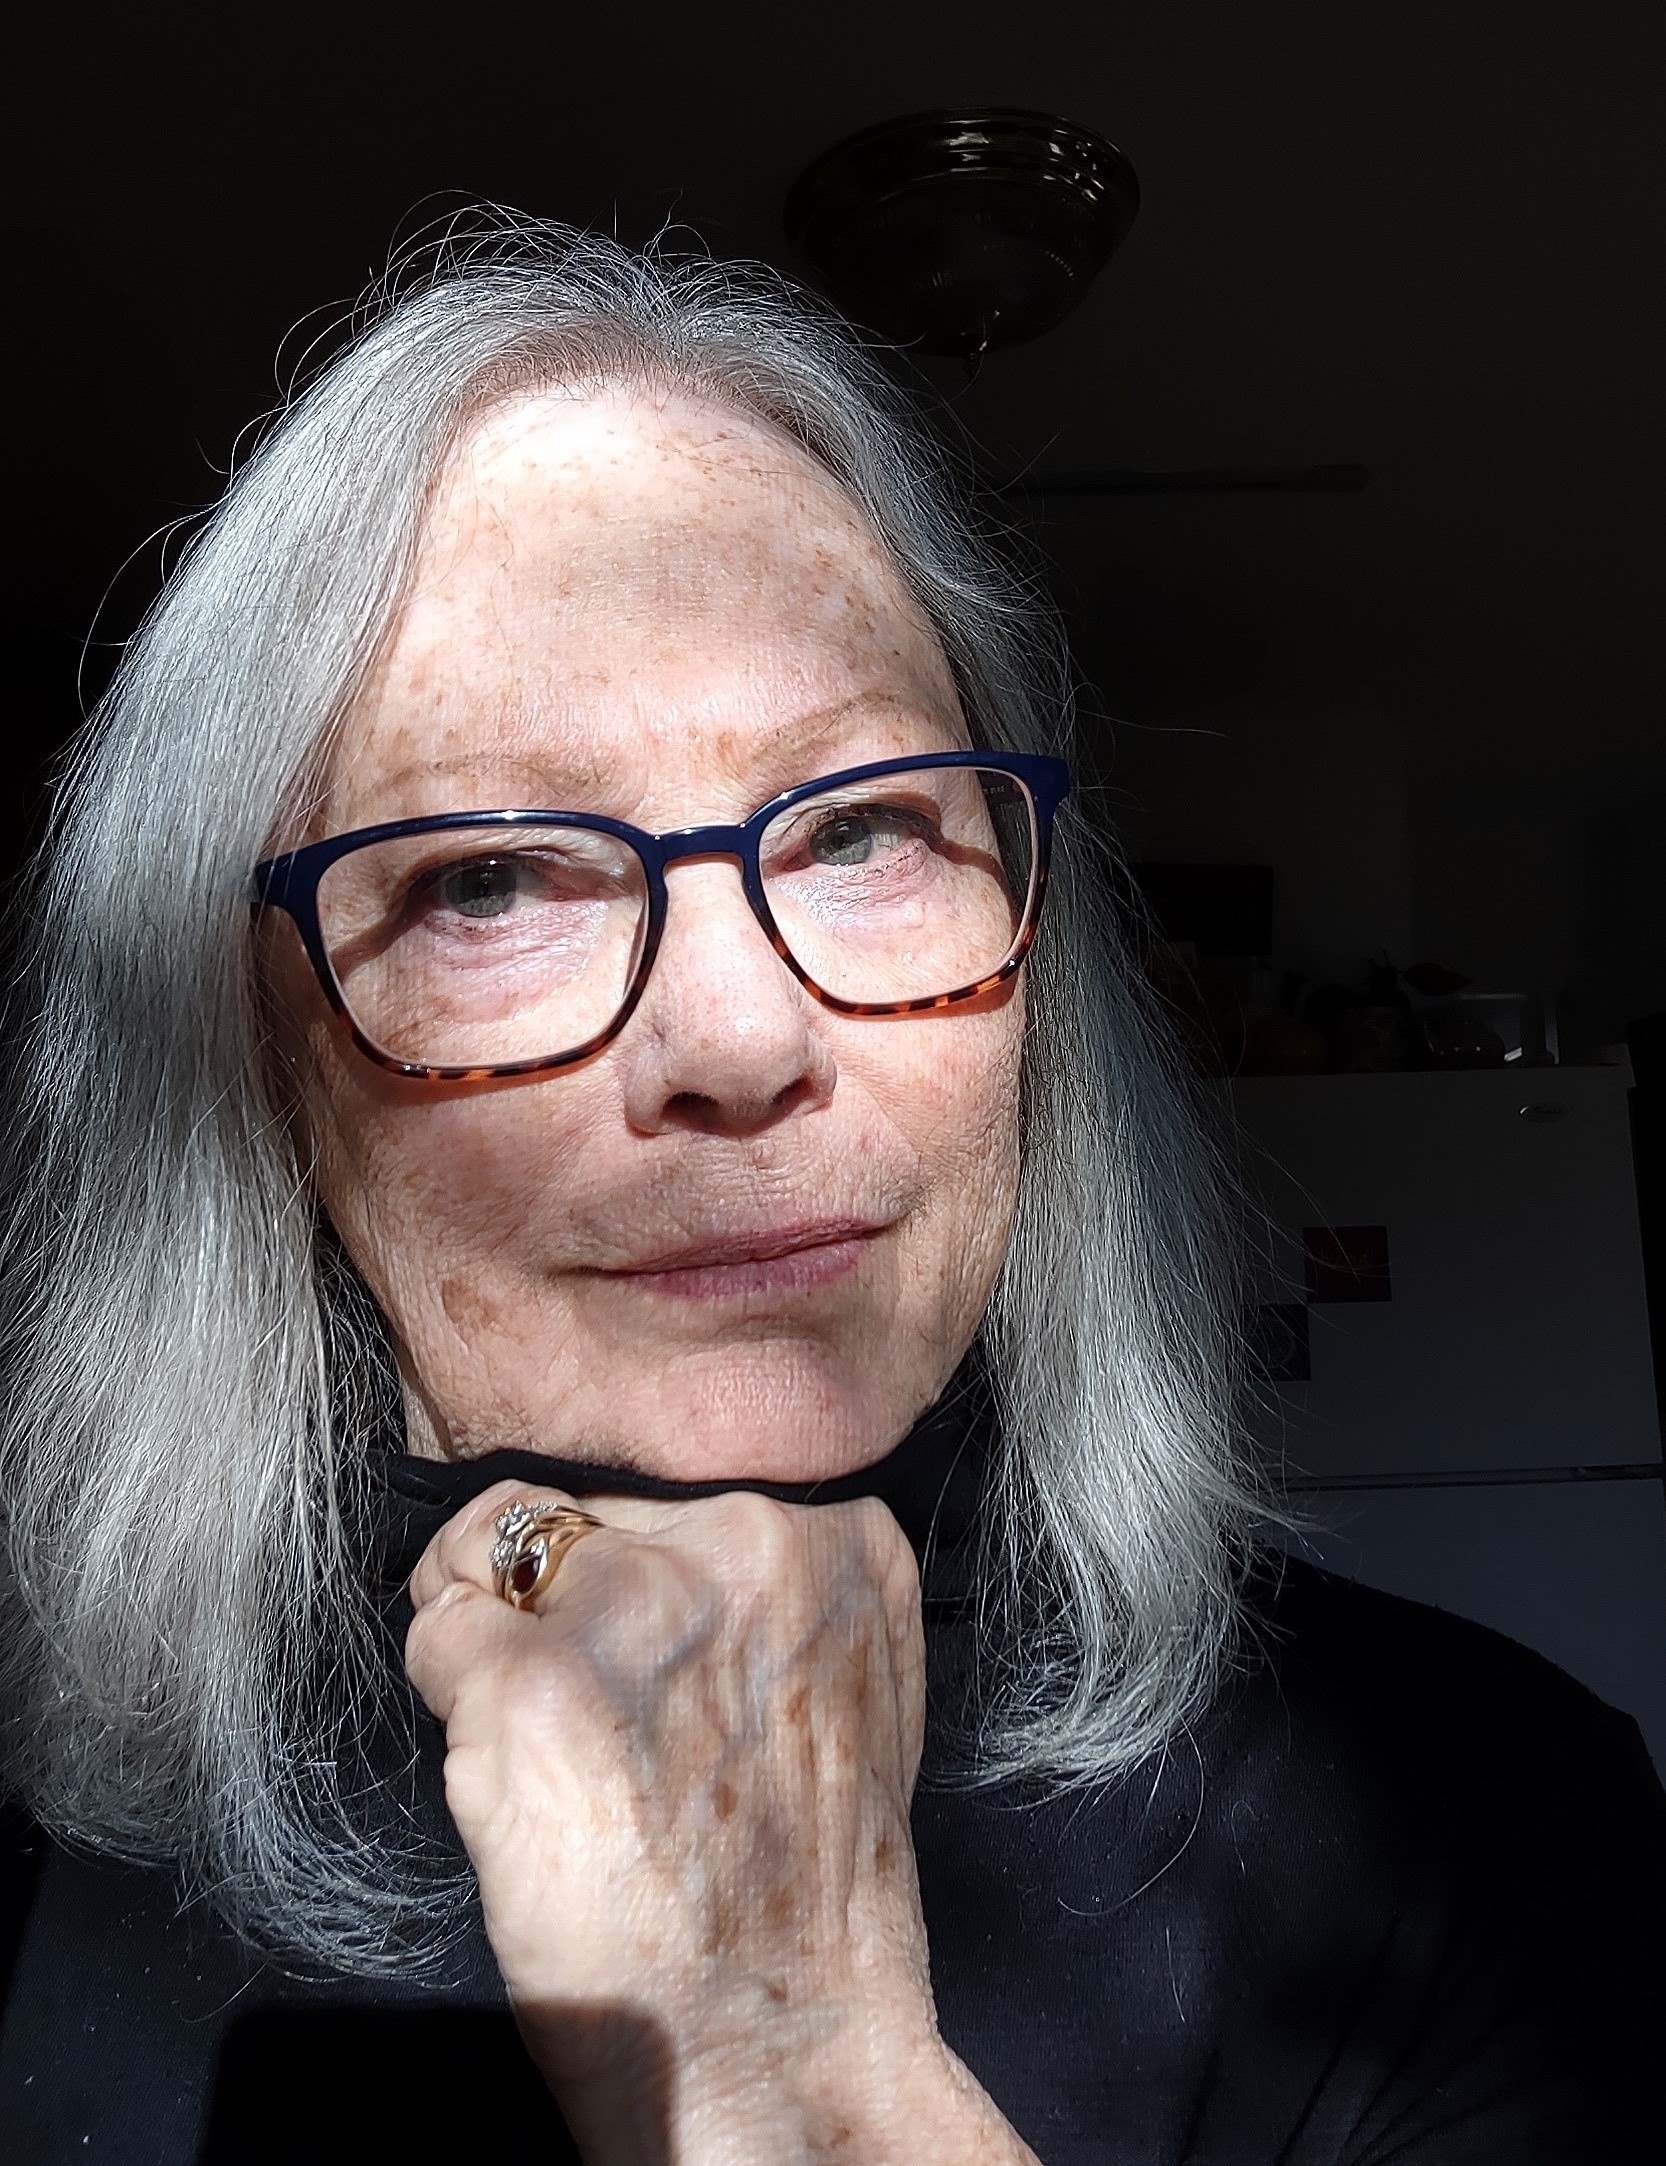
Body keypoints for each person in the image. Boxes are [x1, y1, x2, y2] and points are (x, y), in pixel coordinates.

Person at [0, 209, 1661, 2165]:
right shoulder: (37, 1853)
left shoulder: (1483, 1821)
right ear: (257, 1056)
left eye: (860, 825)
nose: (738, 1034)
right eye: (489, 876)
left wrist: (788, 2069)